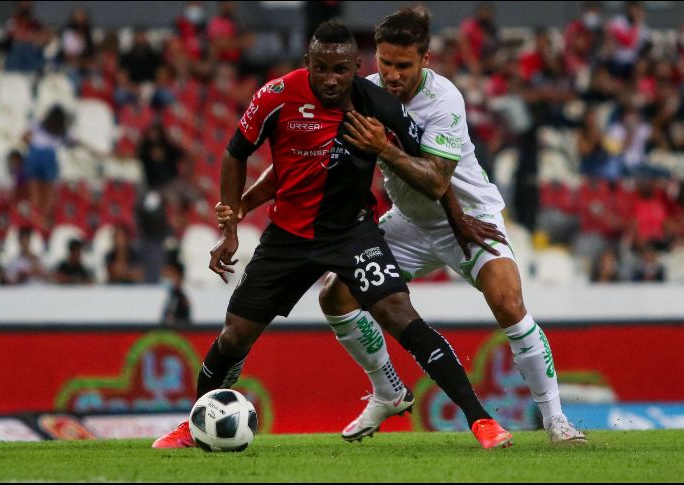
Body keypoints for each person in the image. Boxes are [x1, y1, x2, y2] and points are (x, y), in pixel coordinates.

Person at [216, 8, 586, 445]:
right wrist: (243, 204)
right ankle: (387, 389)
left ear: (425, 60)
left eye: (403, 65)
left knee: (508, 303)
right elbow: (300, 164)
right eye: (385, 62)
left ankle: (556, 420)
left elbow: (436, 180)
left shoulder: (444, 99)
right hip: (410, 222)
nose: (391, 74)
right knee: (335, 297)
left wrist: (384, 149)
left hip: (470, 220)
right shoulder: (361, 92)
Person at [153, 20, 512, 450]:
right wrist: (231, 226)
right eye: (321, 68)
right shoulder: (276, 95)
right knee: (235, 335)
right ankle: (194, 424)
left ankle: (481, 420)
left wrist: (457, 218)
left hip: (351, 233)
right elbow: (237, 154)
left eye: (340, 70)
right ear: (308, 62)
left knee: (400, 314)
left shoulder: (377, 103)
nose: (330, 79)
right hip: (287, 237)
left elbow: (433, 171)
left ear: (356, 67)